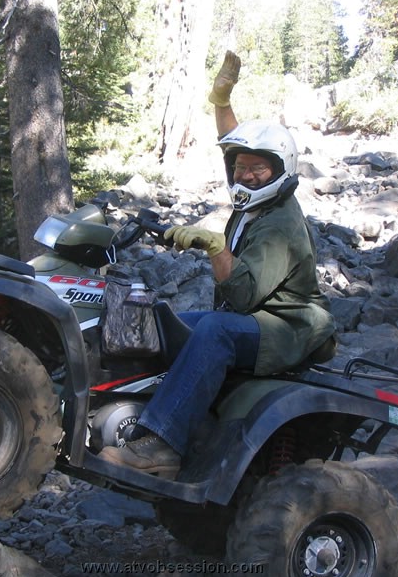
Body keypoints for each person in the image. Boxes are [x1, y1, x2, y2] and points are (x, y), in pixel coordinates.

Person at [99, 51, 336, 478]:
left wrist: (213, 246)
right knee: (161, 319)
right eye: (239, 169)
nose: (245, 176)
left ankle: (162, 442)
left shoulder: (280, 224)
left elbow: (243, 298)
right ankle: (112, 405)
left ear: (279, 172)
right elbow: (243, 145)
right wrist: (221, 102)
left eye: (256, 170)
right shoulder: (260, 194)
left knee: (213, 330)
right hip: (259, 318)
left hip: (284, 326)